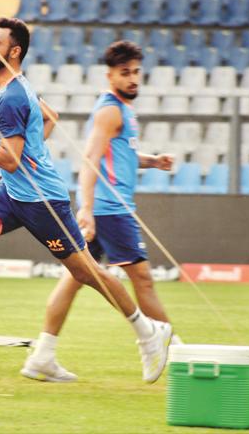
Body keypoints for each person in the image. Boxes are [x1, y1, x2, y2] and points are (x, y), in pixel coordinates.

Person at [0, 17, 171, 384]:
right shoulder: (11, 88)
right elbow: (49, 117)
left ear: (14, 51)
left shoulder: (10, 97)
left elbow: (10, 158)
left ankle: (148, 333)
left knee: (88, 273)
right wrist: (25, 157)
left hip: (42, 201)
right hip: (13, 194)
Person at [21, 41, 176, 382]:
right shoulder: (110, 111)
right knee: (143, 280)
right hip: (110, 210)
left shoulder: (122, 109)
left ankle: (42, 356)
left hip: (109, 208)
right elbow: (90, 158)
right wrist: (87, 209)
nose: (133, 79)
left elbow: (119, 155)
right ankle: (169, 351)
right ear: (110, 76)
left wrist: (152, 161)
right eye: (125, 73)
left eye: (136, 72)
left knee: (74, 279)